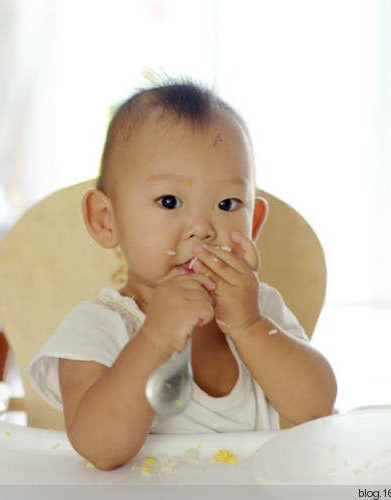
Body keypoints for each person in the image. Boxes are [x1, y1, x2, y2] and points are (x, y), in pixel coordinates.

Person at [29, 79, 337, 470]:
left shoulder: (259, 308)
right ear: (107, 220)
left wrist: (249, 327)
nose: (202, 228)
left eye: (227, 204)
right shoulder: (99, 327)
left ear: (253, 223)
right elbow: (99, 447)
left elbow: (316, 408)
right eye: (170, 201)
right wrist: (155, 337)